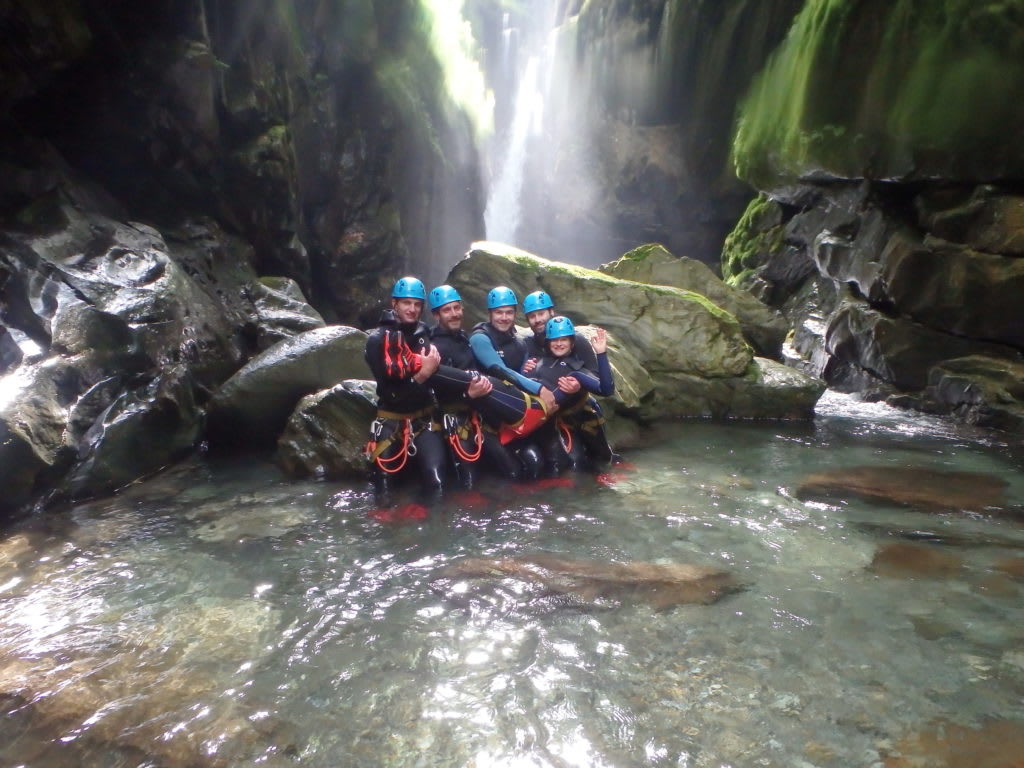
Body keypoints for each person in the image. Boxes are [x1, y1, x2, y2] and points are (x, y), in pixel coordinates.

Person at [364, 277, 554, 499]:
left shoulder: (428, 335)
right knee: (386, 484)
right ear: (394, 303)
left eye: (417, 304)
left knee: (440, 481)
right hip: (403, 417)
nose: (412, 309)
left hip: (433, 419)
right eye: (407, 303)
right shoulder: (380, 340)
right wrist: (433, 377)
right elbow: (399, 392)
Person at [426, 284, 536, 484]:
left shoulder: (466, 339)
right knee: (469, 479)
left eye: (456, 308)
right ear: (436, 315)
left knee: (514, 470)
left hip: (480, 418)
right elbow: (431, 391)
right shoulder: (433, 346)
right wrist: (468, 396)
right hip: (453, 422)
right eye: (447, 310)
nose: (454, 314)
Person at [521, 290, 615, 467]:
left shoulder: (576, 340)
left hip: (577, 408)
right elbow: (519, 379)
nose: (537, 319)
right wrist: (522, 369)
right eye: (532, 316)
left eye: (541, 313)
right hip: (547, 414)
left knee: (598, 457)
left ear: (551, 312)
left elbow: (596, 379)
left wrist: (578, 385)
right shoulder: (528, 345)